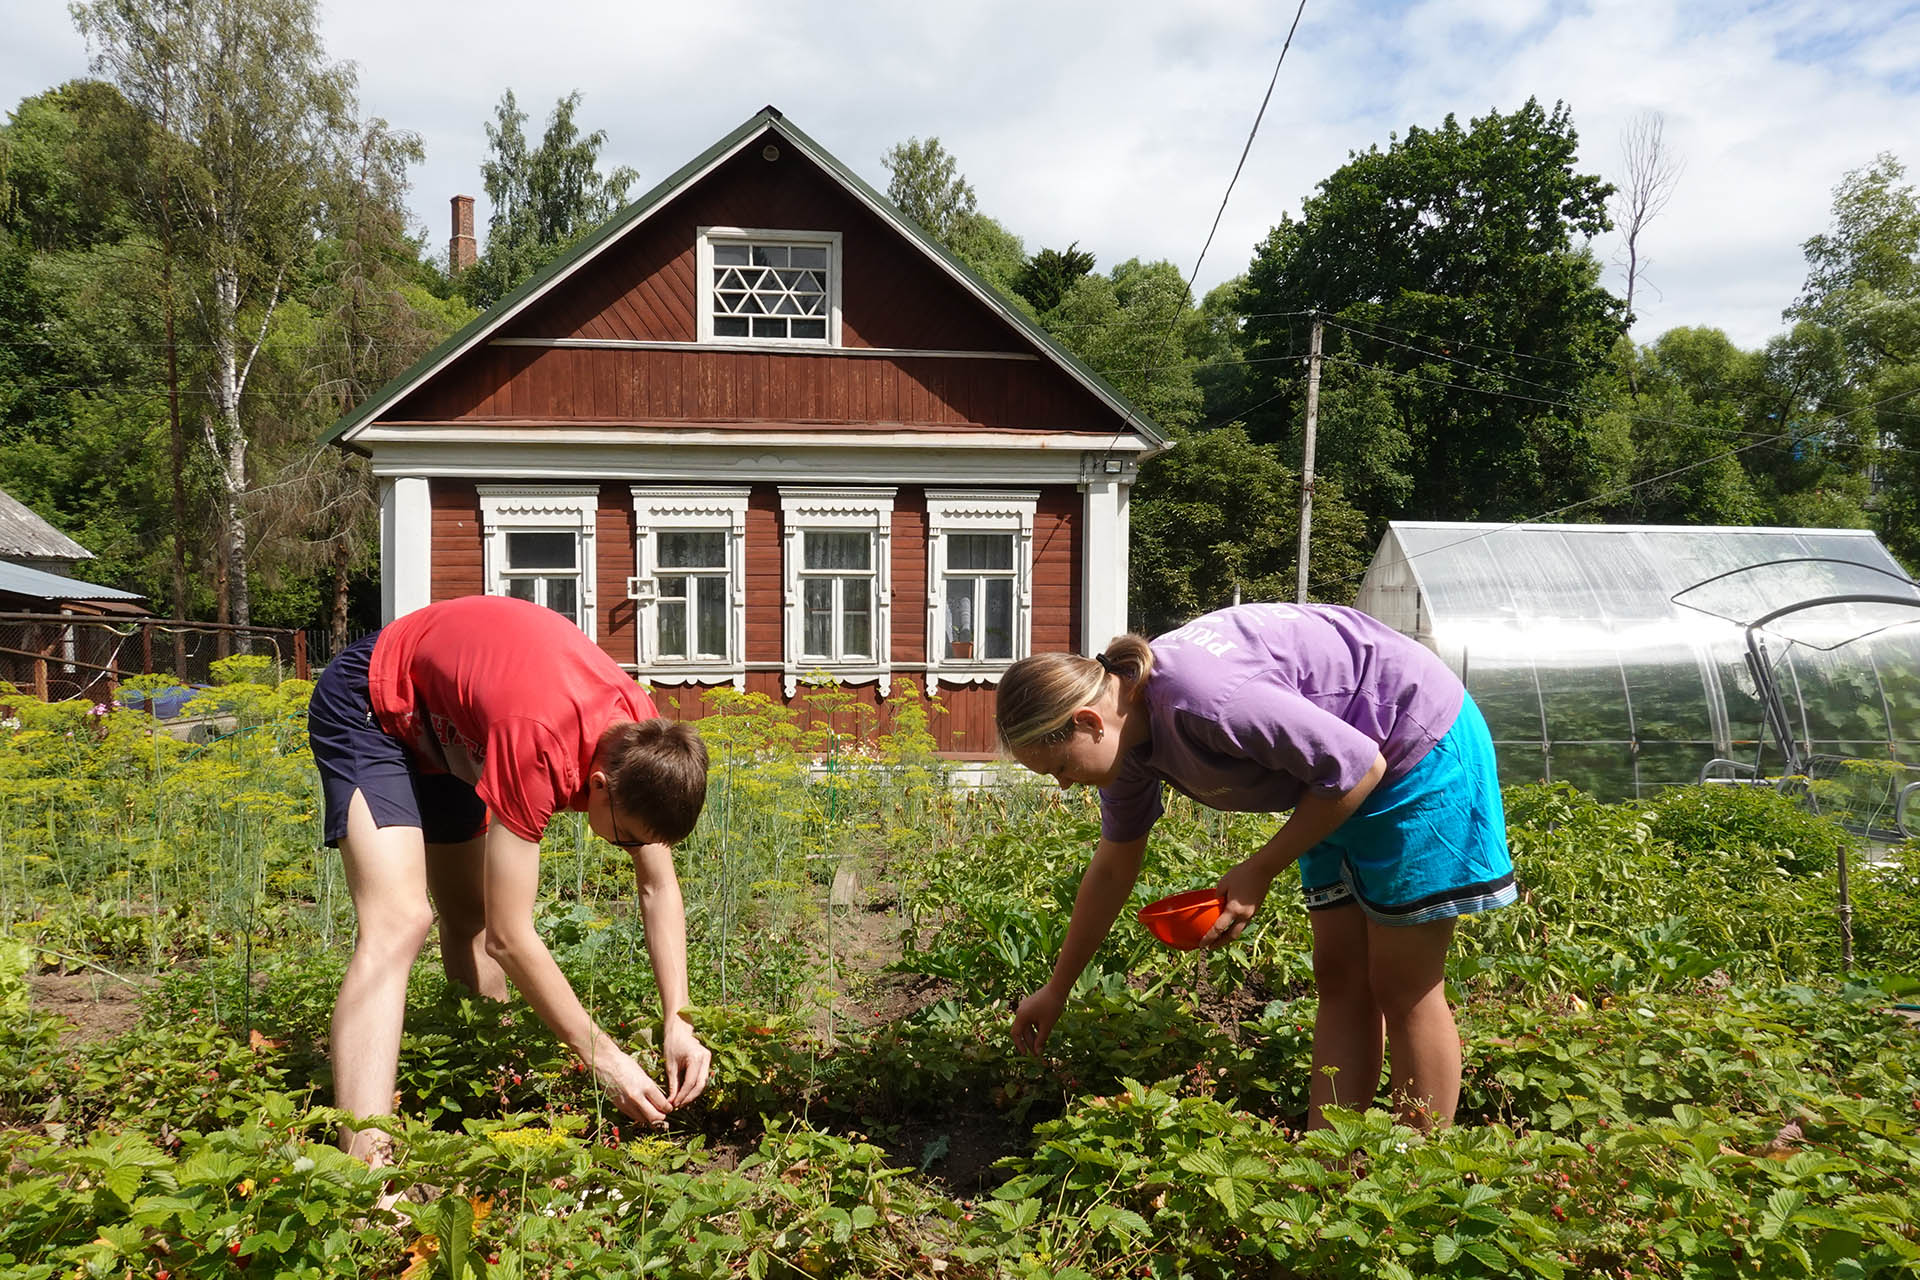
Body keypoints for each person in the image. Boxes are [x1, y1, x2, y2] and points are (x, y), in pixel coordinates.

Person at [996, 602, 1515, 1130]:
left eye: (1060, 767)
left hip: (1413, 744)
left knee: (1403, 984)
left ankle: (1416, 1172)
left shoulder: (1206, 700)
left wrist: (1259, 869)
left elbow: (1362, 766)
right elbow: (1111, 869)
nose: (1062, 784)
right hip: (1331, 779)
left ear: (1087, 722)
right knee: (1340, 975)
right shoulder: (1124, 740)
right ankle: (1330, 1160)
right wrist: (1056, 989)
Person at [306, 593, 713, 1162]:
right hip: (374, 703)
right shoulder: (538, 744)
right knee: (399, 922)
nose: (632, 851)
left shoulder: (641, 738)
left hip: (458, 723)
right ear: (597, 784)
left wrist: (679, 1019)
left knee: (467, 914)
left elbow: (657, 886)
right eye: (627, 838)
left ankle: (490, 1092)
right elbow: (512, 935)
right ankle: (365, 1171)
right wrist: (605, 1058)